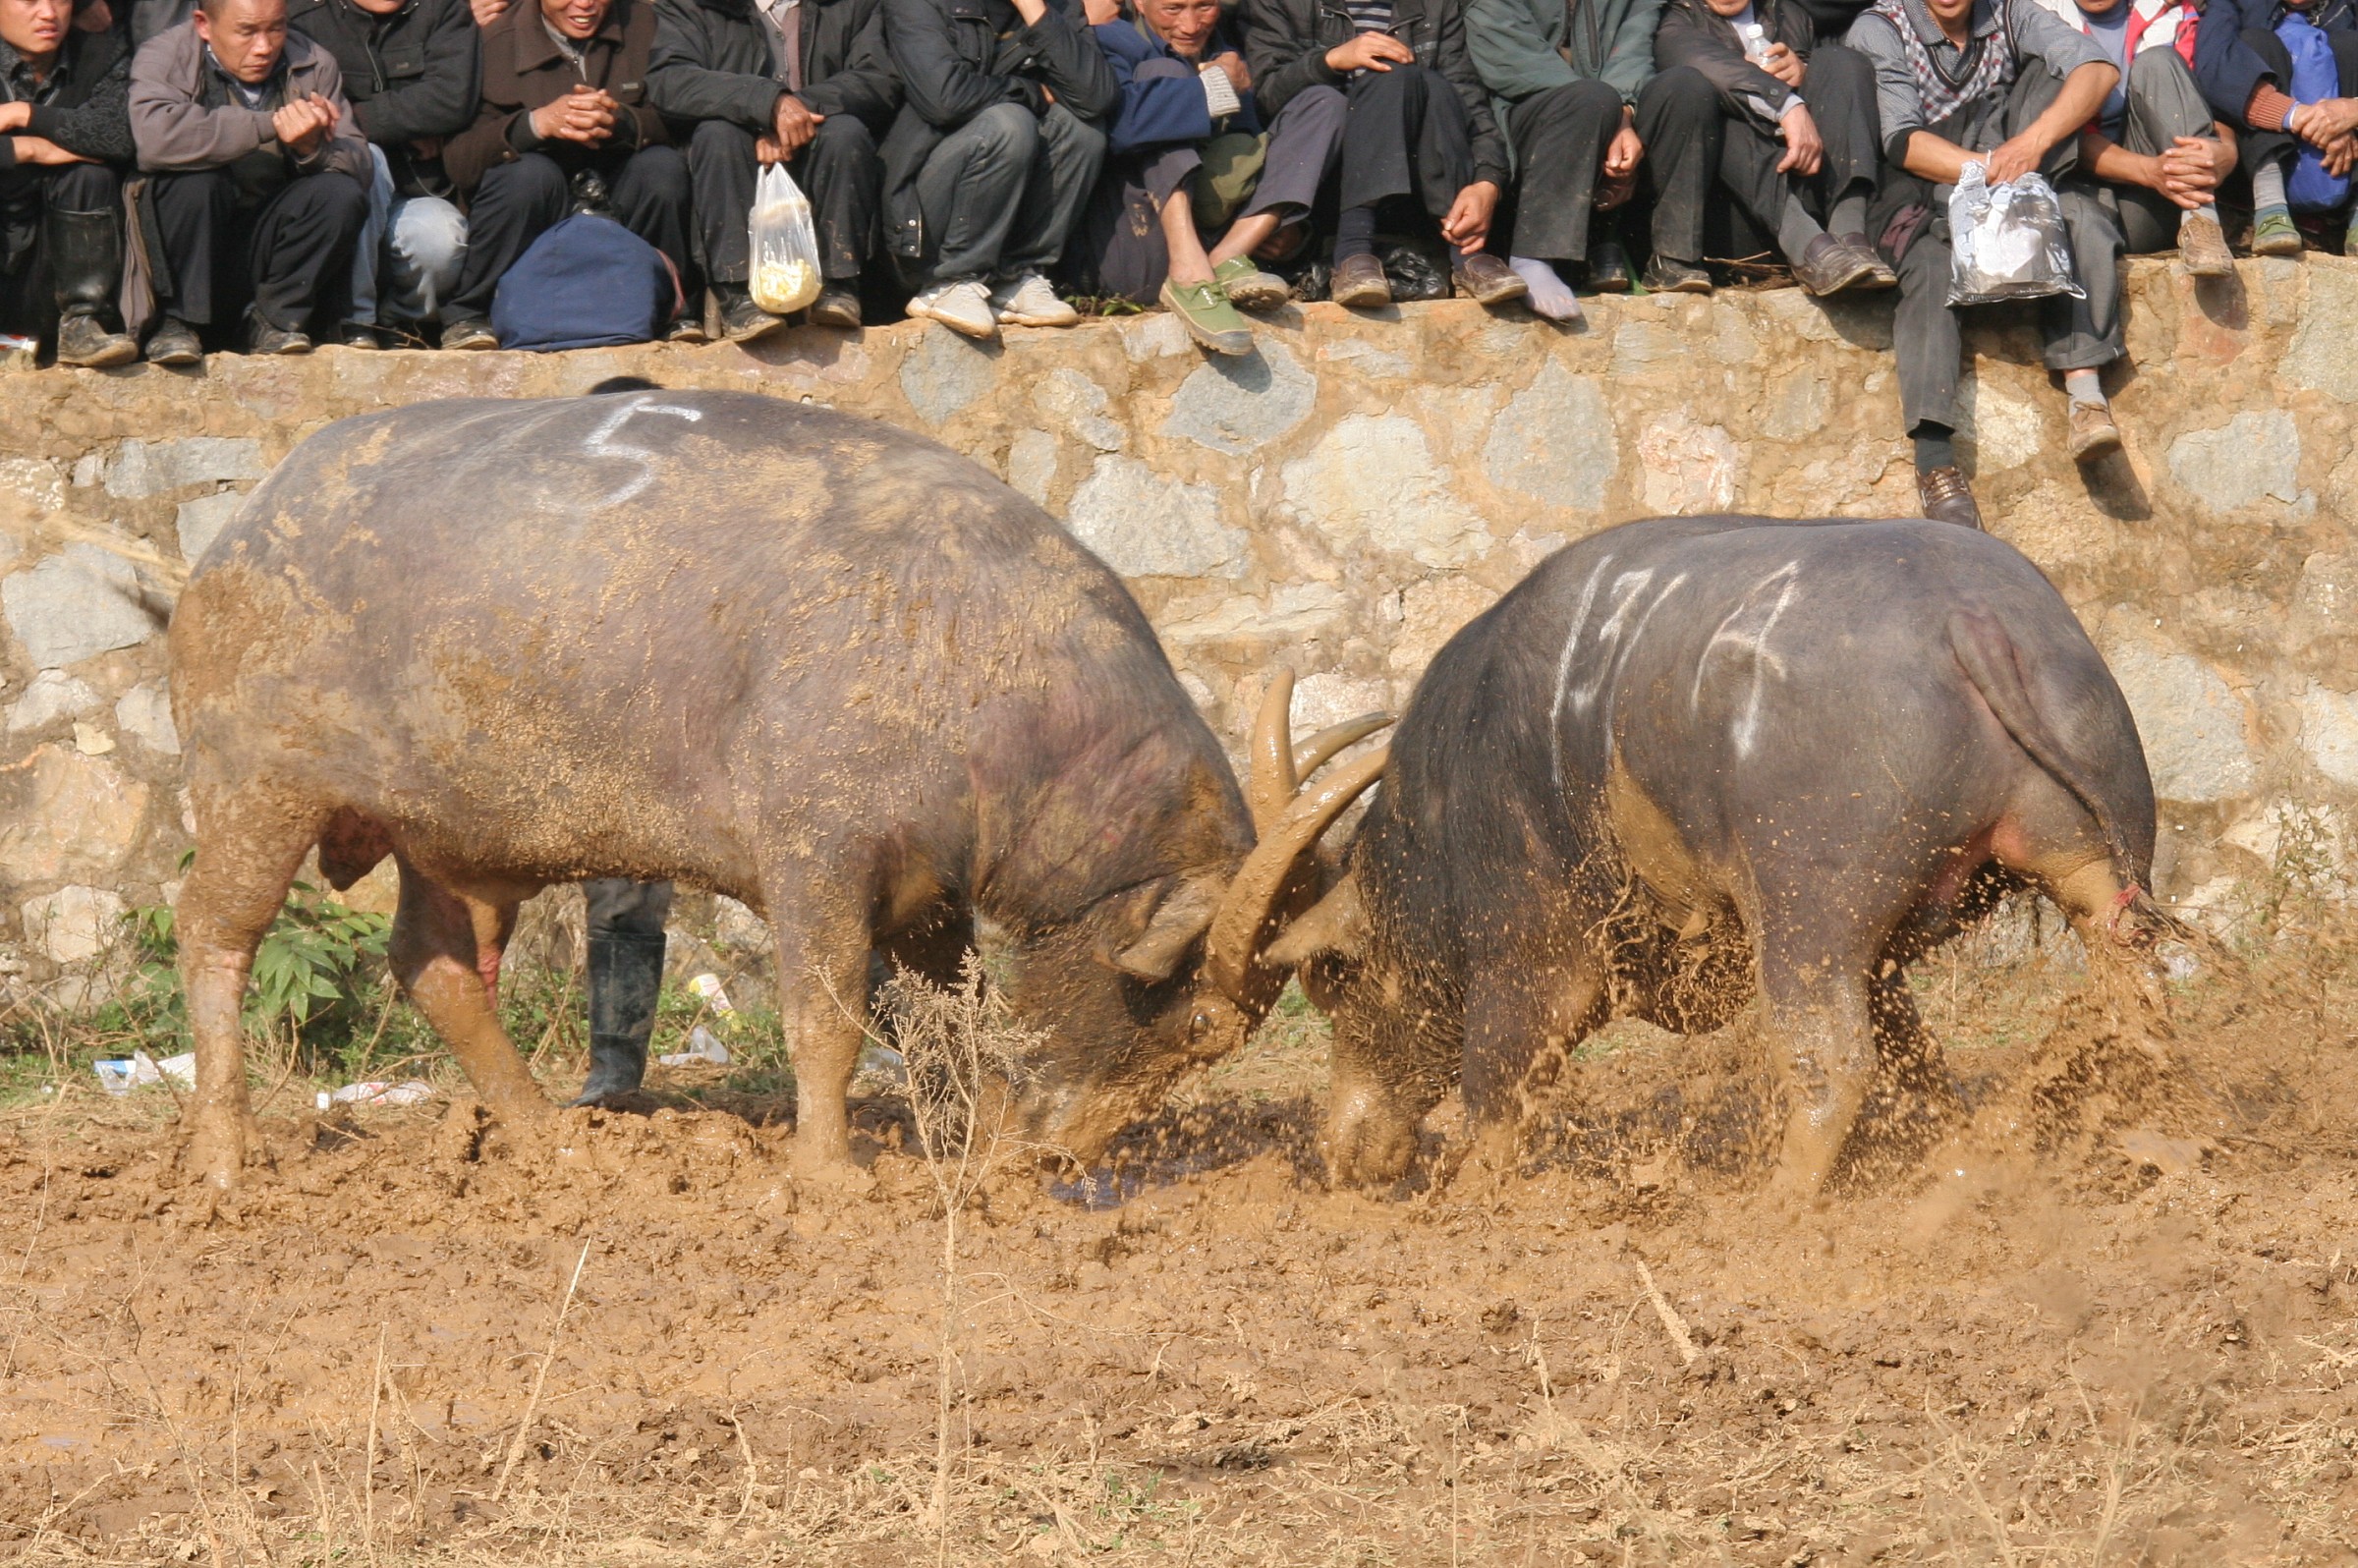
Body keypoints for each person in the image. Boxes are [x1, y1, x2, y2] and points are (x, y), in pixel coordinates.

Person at [1848, 0, 2122, 528]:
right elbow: (1901, 140)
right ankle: (1935, 462)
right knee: (1928, 268)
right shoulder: (1881, 27)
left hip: (2016, 170)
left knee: (2079, 199)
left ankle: (2085, 396)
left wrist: (2031, 144)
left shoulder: (2011, 13)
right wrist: (1992, 170)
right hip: (1924, 181)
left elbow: (2098, 68)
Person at [1079, 0, 1339, 352]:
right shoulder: (1108, 40)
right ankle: (1188, 273)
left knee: (1324, 103)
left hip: (1218, 235)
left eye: (1204, 7)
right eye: (1173, 9)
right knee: (1166, 71)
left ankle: (1226, 258)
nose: (1190, 25)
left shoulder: (1225, 46)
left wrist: (1291, 231)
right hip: (1142, 247)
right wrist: (1216, 86)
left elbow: (1249, 148)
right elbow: (1123, 126)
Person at [438, 0, 693, 349]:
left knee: (661, 169)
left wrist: (622, 122)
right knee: (527, 176)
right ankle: (470, 312)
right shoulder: (494, 41)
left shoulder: (646, 25)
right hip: (542, 201)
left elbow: (683, 118)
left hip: (617, 187)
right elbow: (459, 161)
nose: (585, 4)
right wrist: (533, 125)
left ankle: (670, 306)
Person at [129, 0, 371, 361]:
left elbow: (360, 163)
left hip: (266, 242)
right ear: (203, 24)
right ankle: (178, 322)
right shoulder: (165, 54)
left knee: (339, 193)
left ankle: (273, 319)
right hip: (191, 241)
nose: (264, 47)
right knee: (196, 184)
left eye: (275, 29)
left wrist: (313, 149)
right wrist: (270, 124)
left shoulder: (313, 62)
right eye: (247, 31)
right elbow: (155, 140)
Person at [1247, 0, 1528, 310]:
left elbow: (1470, 103)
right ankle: (1354, 250)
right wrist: (1331, 61)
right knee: (1394, 75)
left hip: (1417, 186)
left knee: (1430, 84)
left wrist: (1488, 181)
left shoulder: (1436, 6)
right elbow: (1263, 99)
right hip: (1325, 182)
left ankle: (1465, 252)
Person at [648, 0, 896, 338]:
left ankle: (840, 286)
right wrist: (765, 103)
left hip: (819, 137)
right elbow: (670, 80)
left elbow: (878, 78)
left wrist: (797, 110)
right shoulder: (692, 6)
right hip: (734, 151)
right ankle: (736, 294)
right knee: (717, 136)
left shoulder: (849, 5)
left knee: (846, 133)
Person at [878, 0, 1114, 338]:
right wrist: (1031, 93)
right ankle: (951, 279)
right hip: (920, 210)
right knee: (1009, 122)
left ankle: (1016, 278)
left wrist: (1035, 11)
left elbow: (1096, 97)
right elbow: (944, 99)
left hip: (1003, 199)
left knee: (1082, 128)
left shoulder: (1057, 6)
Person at [1459, 0, 1712, 314]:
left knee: (1685, 86)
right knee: (1590, 98)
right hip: (1531, 123)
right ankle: (1533, 258)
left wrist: (1624, 110)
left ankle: (1674, 257)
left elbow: (1633, 47)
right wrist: (1612, 117)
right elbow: (1510, 56)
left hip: (1613, 111)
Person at [1654, 0, 1894, 299]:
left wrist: (1802, 71)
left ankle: (1850, 232)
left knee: (1841, 62)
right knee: (1715, 106)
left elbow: (1829, 93)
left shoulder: (1787, 12)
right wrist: (1784, 104)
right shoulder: (1674, 20)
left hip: (1811, 186)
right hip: (1741, 217)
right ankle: (1806, 243)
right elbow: (1699, 61)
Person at [288, 0, 477, 348]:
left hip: (420, 186)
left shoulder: (445, 9)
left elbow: (450, 101)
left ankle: (401, 323)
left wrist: (348, 116)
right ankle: (354, 322)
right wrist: (401, 124)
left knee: (441, 242)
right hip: (343, 183)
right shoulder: (303, 17)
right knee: (365, 156)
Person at [2035, 0, 2235, 270]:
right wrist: (2151, 171)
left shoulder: (2170, 14)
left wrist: (2226, 151)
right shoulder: (2039, 19)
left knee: (2158, 61)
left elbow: (2202, 103)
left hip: (2163, 195)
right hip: (2088, 201)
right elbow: (2063, 139)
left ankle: (2202, 222)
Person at [1, 0, 140, 365]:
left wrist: (24, 113)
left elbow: (118, 134)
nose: (48, 13)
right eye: (30, 0)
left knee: (89, 176)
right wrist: (24, 149)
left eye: (59, 0)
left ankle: (82, 324)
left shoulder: (100, 54)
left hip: (55, 263)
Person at [2190, 0, 2358, 254]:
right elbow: (2212, 67)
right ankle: (2271, 208)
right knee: (2256, 42)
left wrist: (2350, 113)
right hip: (2256, 164)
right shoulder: (2235, 4)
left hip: (2344, 162)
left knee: (2350, 45)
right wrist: (2296, 116)